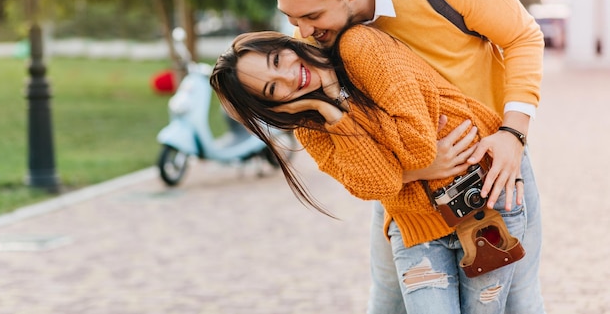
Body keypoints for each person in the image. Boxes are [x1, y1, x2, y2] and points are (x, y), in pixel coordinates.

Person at [259, 0, 544, 314]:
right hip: (404, 195)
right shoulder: (314, 48)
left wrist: (513, 134)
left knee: (520, 303)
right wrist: (414, 171)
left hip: (492, 172)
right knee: (388, 304)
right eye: (291, 17)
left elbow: (523, 36)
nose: (303, 32)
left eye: (312, 15)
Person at [210, 26, 535, 314]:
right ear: (273, 105)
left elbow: (417, 147)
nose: (290, 77)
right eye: (272, 89)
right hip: (417, 229)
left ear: (281, 44)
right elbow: (375, 186)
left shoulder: (358, 48)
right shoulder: (312, 129)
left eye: (277, 61)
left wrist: (405, 170)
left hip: (484, 205)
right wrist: (334, 109)